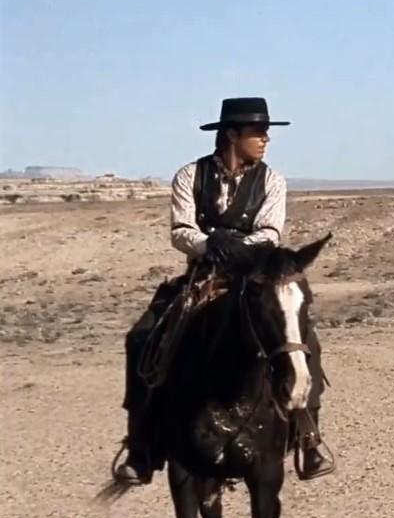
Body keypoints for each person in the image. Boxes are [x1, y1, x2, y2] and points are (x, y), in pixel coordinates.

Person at [112, 97, 334, 484]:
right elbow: (181, 229)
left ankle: (307, 435)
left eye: (266, 132)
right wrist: (207, 245)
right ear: (231, 134)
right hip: (203, 278)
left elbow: (269, 232)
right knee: (142, 336)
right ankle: (141, 444)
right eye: (257, 132)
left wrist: (235, 246)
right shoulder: (189, 176)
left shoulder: (272, 181)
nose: (265, 139)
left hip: (254, 278)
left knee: (304, 341)